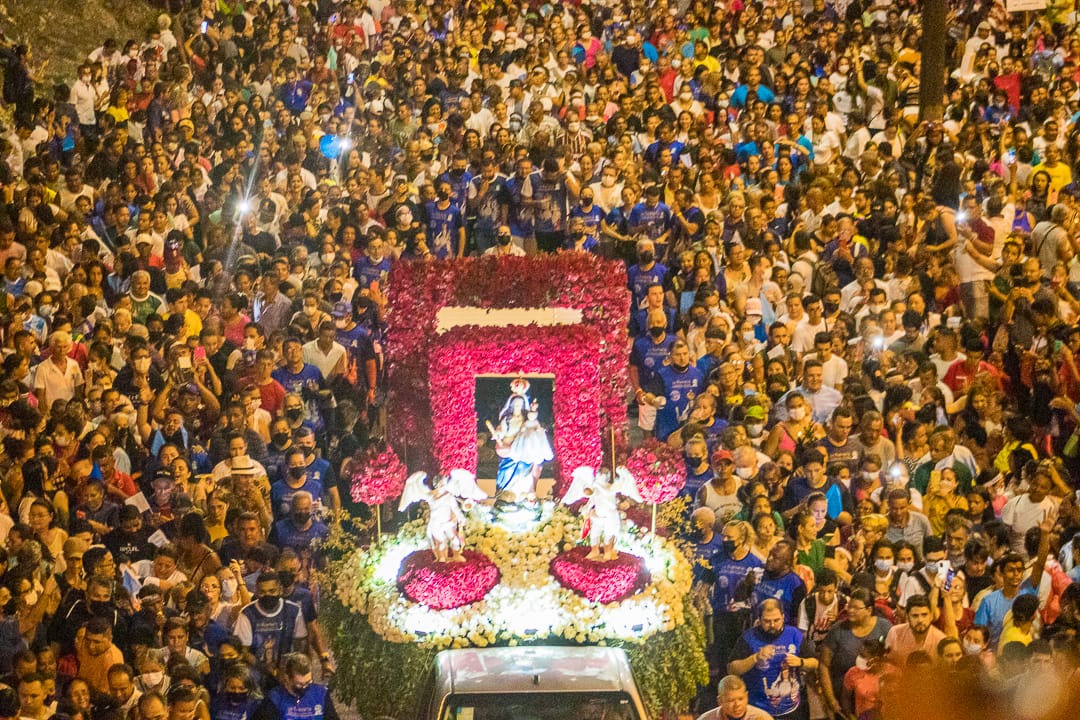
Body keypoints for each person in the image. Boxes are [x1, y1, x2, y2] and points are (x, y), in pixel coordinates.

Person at [728, 599, 818, 720]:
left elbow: (815, 663)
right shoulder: (748, 637)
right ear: (759, 619)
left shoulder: (794, 634)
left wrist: (801, 662)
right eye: (767, 621)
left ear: (783, 617)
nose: (772, 625)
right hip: (758, 710)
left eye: (776, 620)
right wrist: (755, 658)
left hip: (791, 709)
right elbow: (732, 669)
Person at [254, 653, 339, 720]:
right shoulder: (275, 698)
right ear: (287, 677)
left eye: (308, 682)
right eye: (299, 684)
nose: (304, 687)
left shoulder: (320, 694)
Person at [695, 675, 775, 720]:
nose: (737, 704)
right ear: (720, 701)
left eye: (741, 699)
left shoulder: (761, 717)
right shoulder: (707, 719)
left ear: (746, 697)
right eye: (730, 700)